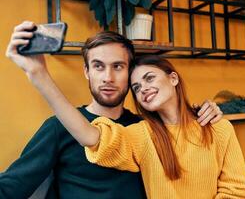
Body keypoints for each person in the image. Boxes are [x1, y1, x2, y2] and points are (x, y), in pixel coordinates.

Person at [3, 21, 223, 198]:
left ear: (130, 73)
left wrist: (202, 113)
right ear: (87, 72)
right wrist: (35, 72)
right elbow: (12, 186)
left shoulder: (148, 127)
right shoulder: (59, 126)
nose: (108, 78)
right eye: (98, 66)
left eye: (118, 66)